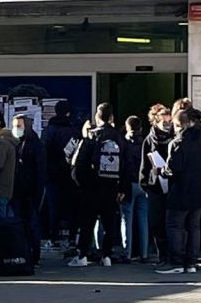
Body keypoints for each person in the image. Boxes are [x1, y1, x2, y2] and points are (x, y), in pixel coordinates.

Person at [68, 103, 127, 268]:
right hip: (111, 187)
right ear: (112, 118)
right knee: (109, 223)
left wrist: (82, 184)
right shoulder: (118, 137)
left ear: (97, 117)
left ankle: (82, 256)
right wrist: (122, 187)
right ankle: (106, 255)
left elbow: (79, 165)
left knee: (87, 222)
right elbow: (126, 164)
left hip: (92, 187)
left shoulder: (91, 137)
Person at [156, 108, 201, 274]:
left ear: (179, 124)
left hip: (181, 190)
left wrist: (161, 170)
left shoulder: (178, 142)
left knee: (175, 225)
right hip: (199, 189)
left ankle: (176, 261)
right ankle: (192, 262)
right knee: (194, 227)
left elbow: (172, 168)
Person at [173, 98, 201, 261]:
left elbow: (175, 165)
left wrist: (164, 171)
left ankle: (179, 257)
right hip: (200, 183)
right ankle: (194, 256)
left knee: (177, 224)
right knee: (195, 223)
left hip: (184, 185)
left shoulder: (183, 139)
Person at [41, 101, 81, 249]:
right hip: (70, 175)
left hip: (52, 174)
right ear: (69, 113)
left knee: (53, 207)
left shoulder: (49, 130)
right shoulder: (75, 131)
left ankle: (53, 237)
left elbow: (43, 151)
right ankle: (71, 238)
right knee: (72, 208)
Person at [139, 104, 174, 266]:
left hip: (173, 185)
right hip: (155, 186)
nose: (168, 126)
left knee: (172, 223)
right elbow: (144, 165)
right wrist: (144, 183)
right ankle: (162, 255)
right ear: (155, 122)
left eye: (169, 122)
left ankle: (173, 255)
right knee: (156, 222)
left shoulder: (175, 138)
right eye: (164, 123)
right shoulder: (149, 139)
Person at [11, 114, 47, 266]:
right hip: (19, 191)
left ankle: (34, 254)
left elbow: (40, 171)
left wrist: (38, 192)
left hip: (31, 191)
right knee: (22, 224)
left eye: (19, 126)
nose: (16, 129)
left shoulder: (35, 145)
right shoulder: (17, 143)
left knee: (32, 224)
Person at [120, 115, 148, 263]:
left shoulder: (124, 143)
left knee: (127, 219)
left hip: (129, 184)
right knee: (143, 218)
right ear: (141, 128)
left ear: (127, 127)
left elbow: (122, 166)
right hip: (143, 184)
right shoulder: (146, 142)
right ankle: (144, 253)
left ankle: (128, 252)